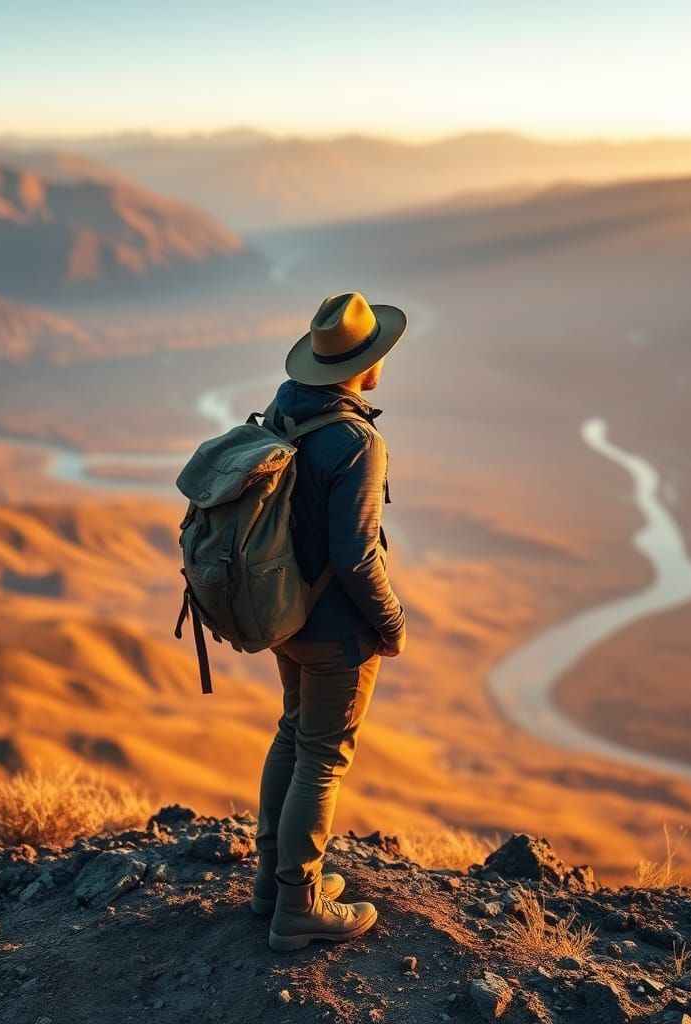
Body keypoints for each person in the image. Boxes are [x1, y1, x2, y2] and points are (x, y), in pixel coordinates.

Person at [251, 291, 408, 952]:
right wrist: (392, 622)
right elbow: (355, 553)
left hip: (285, 614)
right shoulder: (357, 441)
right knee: (323, 756)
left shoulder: (290, 404)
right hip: (337, 630)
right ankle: (298, 907)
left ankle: (272, 886)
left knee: (293, 734)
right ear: (365, 364)